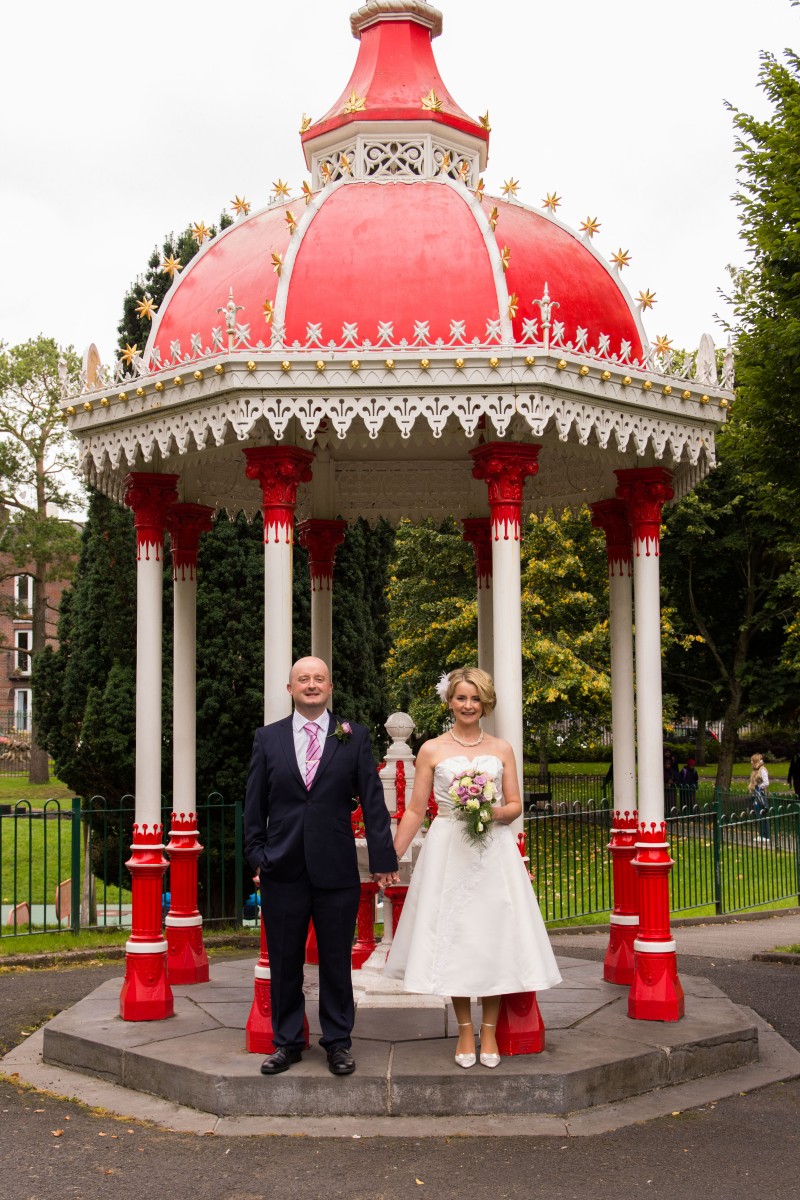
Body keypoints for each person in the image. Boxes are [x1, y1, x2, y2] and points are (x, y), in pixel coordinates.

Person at [384, 667, 561, 1069]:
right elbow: (415, 809)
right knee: (457, 937)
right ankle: (466, 1028)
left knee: (492, 938)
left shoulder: (501, 749)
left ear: (485, 703)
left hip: (492, 852)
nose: (468, 705)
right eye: (461, 698)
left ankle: (492, 1031)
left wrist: (490, 809)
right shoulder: (431, 749)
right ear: (450, 702)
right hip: (449, 849)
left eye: (475, 698)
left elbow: (515, 804)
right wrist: (390, 855)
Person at [244, 656, 398, 1078]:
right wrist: (257, 856)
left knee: (335, 961)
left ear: (330, 687)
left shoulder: (353, 736)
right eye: (303, 679)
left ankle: (338, 1043)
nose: (311, 685)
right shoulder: (268, 738)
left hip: (336, 870)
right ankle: (288, 1042)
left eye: (319, 679)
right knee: (285, 961)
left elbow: (372, 801)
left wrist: (384, 859)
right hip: (282, 868)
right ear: (289, 688)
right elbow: (254, 805)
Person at [748, 752, 771, 844]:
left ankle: (766, 835)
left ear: (755, 760)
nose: (750, 762)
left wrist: (758, 787)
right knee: (758, 814)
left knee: (762, 814)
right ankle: (762, 834)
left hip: (760, 795)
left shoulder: (762, 769)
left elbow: (766, 782)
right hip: (756, 794)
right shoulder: (756, 769)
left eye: (751, 760)